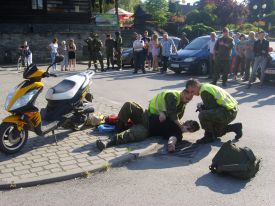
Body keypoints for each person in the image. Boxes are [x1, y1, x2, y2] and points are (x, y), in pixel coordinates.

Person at [96, 90, 200, 152]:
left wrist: (171, 144)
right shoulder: (176, 117)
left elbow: (173, 138)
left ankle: (108, 142)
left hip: (147, 128)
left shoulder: (177, 132)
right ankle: (117, 130)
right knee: (129, 105)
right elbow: (168, 110)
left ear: (189, 131)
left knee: (132, 134)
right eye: (189, 122)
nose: (188, 124)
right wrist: (162, 112)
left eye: (190, 127)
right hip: (145, 115)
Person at [185, 79, 243, 144]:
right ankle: (235, 127)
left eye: (192, 91)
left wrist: (202, 108)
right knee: (216, 133)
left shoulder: (204, 91)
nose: (193, 94)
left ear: (196, 86)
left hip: (228, 113)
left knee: (202, 115)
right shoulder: (206, 86)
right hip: (232, 110)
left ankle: (208, 136)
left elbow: (212, 108)